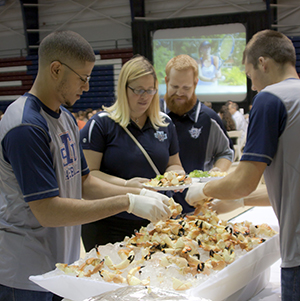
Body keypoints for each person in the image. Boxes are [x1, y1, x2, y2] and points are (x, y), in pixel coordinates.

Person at [0, 31, 171, 301]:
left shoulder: (65, 118)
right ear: (56, 69)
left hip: (59, 266)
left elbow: (84, 182)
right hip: (24, 276)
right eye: (83, 77)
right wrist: (126, 202)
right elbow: (48, 211)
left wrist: (139, 194)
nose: (87, 87)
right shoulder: (26, 125)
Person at [186, 29, 300, 301]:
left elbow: (243, 181)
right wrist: (240, 202)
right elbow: (290, 188)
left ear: (263, 63)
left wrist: (203, 190)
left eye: (250, 76)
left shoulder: (271, 98)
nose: (253, 87)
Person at [80, 55, 185, 251]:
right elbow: (89, 175)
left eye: (150, 90)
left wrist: (176, 176)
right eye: (138, 90)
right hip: (108, 223)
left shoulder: (165, 124)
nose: (144, 96)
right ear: (123, 88)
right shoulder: (101, 124)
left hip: (155, 223)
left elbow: (174, 163)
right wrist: (127, 185)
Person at [161, 54, 234, 213]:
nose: (179, 93)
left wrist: (216, 173)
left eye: (186, 88)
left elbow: (226, 152)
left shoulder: (209, 118)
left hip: (196, 207)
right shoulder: (154, 115)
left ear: (195, 84)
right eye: (174, 87)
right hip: (156, 208)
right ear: (166, 81)